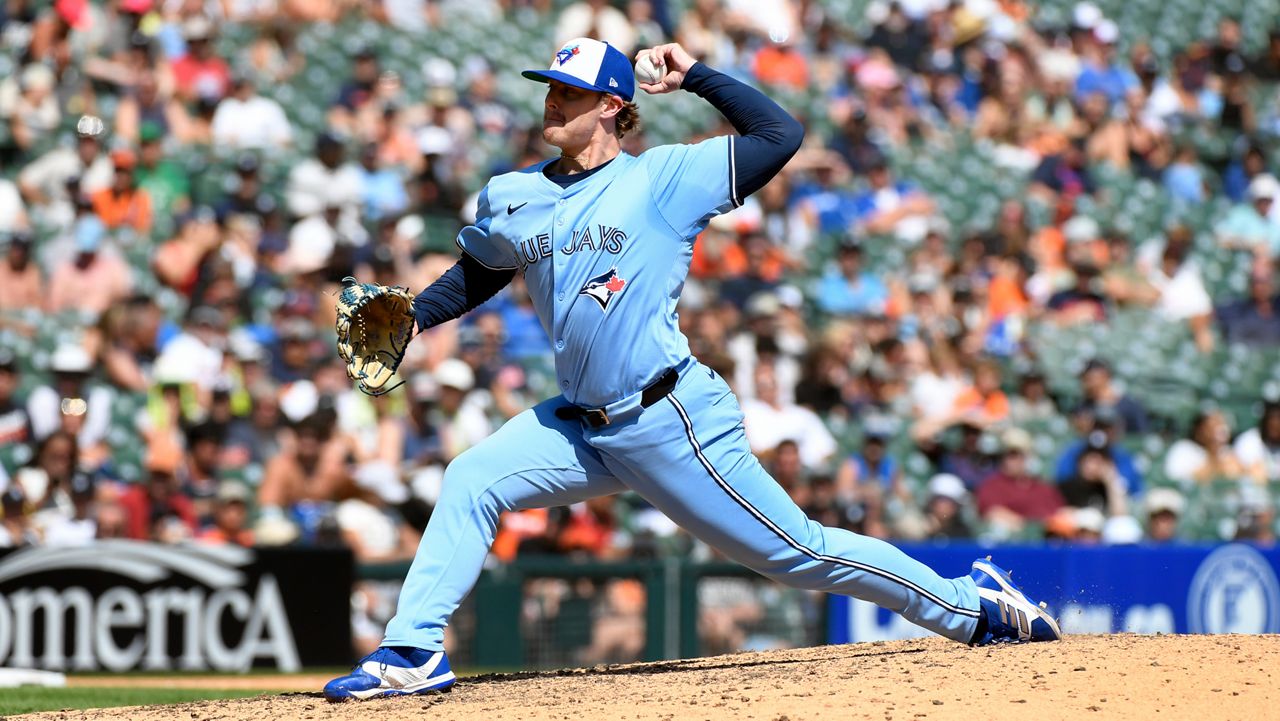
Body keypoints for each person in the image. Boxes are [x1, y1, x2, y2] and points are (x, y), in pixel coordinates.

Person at [323, 38, 1060, 702]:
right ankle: (413, 650)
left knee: (797, 552)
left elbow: (781, 135)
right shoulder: (515, 194)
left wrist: (699, 75)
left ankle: (974, 605)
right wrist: (418, 314)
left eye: (569, 92)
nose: (551, 100)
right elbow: (485, 269)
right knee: (470, 478)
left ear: (613, 105)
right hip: (580, 426)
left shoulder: (668, 177)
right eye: (549, 88)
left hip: (668, 418)